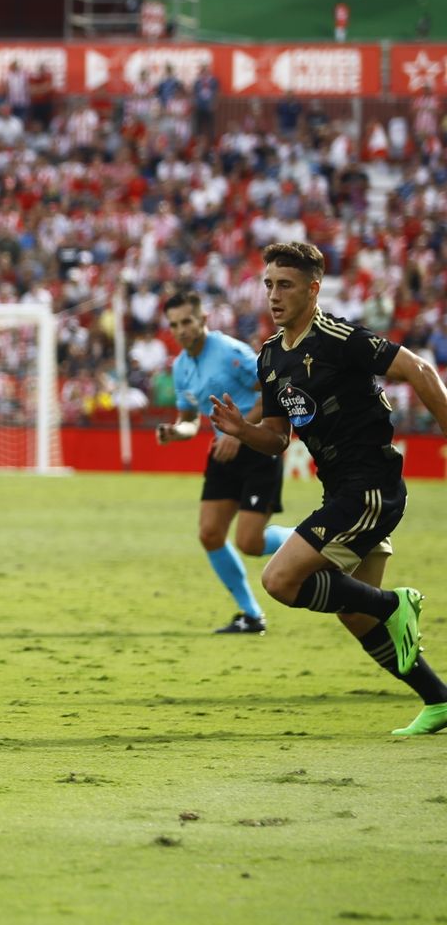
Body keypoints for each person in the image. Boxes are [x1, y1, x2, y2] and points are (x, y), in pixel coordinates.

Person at [210, 242, 447, 736]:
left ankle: (395, 605)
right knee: (353, 612)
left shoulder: (341, 339)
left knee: (279, 581)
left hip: (371, 488)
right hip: (339, 492)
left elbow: (419, 370)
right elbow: (278, 439)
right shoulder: (270, 357)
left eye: (286, 285)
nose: (274, 295)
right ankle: (439, 699)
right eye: (269, 285)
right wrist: (243, 431)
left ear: (313, 289)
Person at [156, 291, 296, 634]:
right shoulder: (181, 367)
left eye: (187, 321)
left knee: (250, 542)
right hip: (224, 450)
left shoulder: (231, 352)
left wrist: (240, 430)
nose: (181, 330)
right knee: (209, 533)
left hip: (257, 446)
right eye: (175, 325)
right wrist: (176, 432)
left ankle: (318, 540)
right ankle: (251, 615)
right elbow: (190, 419)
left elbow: (272, 391)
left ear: (203, 320)